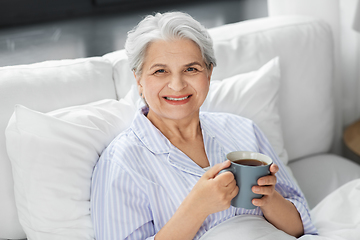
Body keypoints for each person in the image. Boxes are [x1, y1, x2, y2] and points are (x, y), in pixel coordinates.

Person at [90, 11, 317, 240]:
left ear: (208, 73)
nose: (177, 85)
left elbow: (300, 228)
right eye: (160, 71)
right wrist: (196, 208)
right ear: (139, 80)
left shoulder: (244, 131)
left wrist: (269, 199)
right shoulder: (121, 162)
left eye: (191, 69)